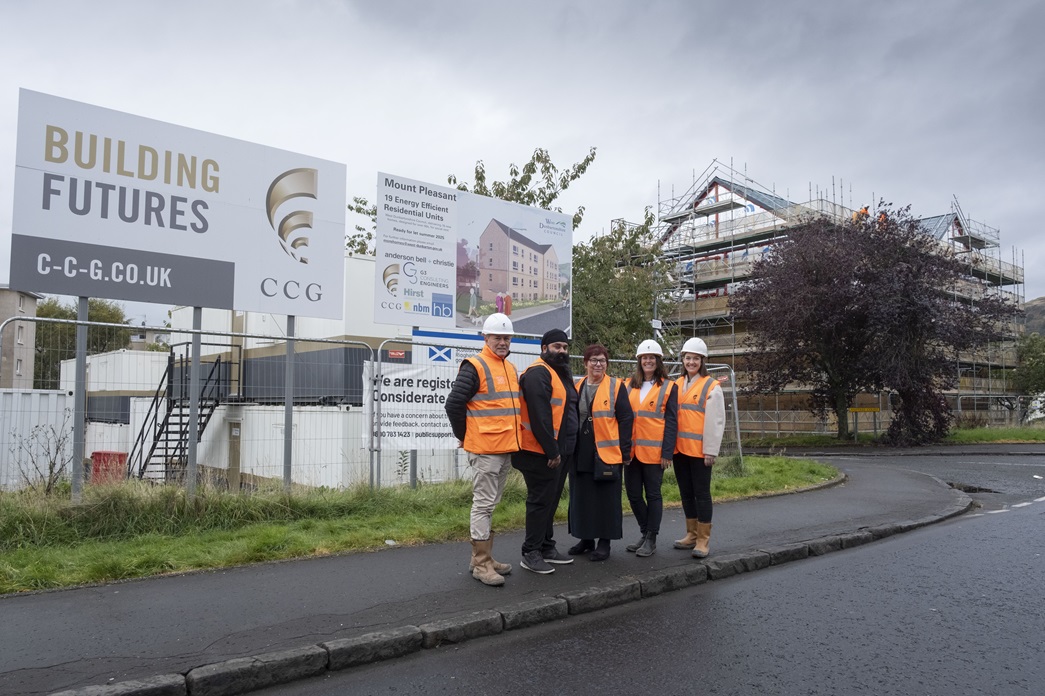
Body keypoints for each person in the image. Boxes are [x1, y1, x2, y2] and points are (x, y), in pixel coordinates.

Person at [444, 312, 521, 587]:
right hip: (485, 450)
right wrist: (466, 437)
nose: (502, 342)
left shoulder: (509, 368)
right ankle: (480, 564)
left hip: (504, 449)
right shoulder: (474, 366)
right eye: (497, 337)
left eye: (506, 337)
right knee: (483, 505)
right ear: (485, 337)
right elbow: (453, 404)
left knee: (491, 505)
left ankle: (486, 558)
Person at [513, 328, 579, 574]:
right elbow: (540, 417)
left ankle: (546, 546)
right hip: (538, 452)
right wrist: (552, 451)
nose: (561, 351)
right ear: (544, 349)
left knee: (550, 501)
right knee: (540, 501)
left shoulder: (559, 372)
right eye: (556, 347)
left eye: (564, 347)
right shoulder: (538, 373)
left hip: (560, 450)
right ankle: (530, 552)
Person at [568, 344, 633, 561]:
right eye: (594, 360)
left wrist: (625, 451)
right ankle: (586, 539)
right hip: (581, 450)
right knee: (582, 496)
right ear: (585, 363)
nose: (598, 364)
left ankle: (604, 542)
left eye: (602, 360)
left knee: (606, 498)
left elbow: (625, 418)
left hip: (607, 451)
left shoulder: (616, 386)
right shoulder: (578, 386)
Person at [671, 337, 726, 559]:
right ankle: (691, 534)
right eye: (687, 358)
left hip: (700, 452)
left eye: (695, 358)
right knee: (686, 493)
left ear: (702, 360)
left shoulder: (711, 386)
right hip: (680, 450)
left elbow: (716, 421)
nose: (691, 362)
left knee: (701, 494)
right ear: (683, 359)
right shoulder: (676, 384)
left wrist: (711, 451)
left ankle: (703, 540)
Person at [624, 339, 678, 557]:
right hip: (631, 452)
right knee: (634, 495)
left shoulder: (668, 386)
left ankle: (651, 538)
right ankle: (645, 533)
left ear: (658, 361)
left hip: (655, 452)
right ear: (639, 361)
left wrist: (667, 452)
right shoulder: (629, 385)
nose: (648, 361)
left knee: (653, 494)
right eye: (644, 358)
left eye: (652, 358)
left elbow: (672, 421)